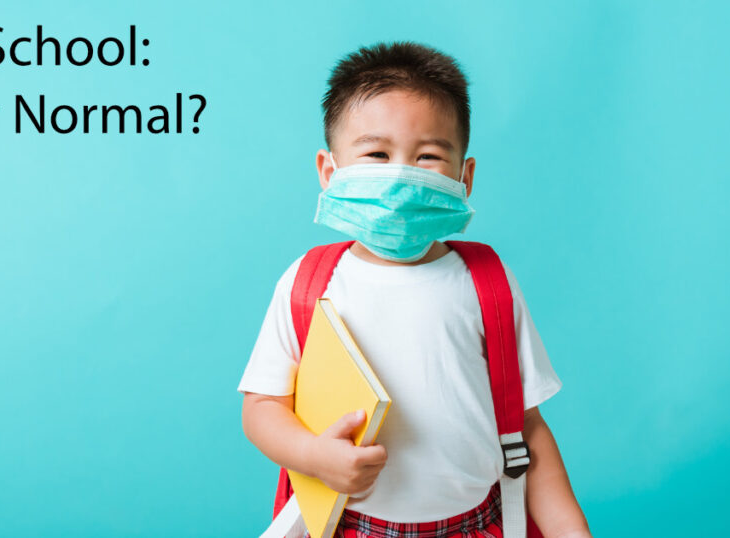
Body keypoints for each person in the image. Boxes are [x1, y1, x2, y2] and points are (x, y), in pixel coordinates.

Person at [237, 41, 591, 538]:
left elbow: (526, 429)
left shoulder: (487, 282)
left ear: (464, 177)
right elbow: (262, 408)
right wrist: (313, 455)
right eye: (376, 154)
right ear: (329, 172)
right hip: (353, 527)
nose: (399, 176)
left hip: (478, 526)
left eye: (427, 156)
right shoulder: (307, 283)